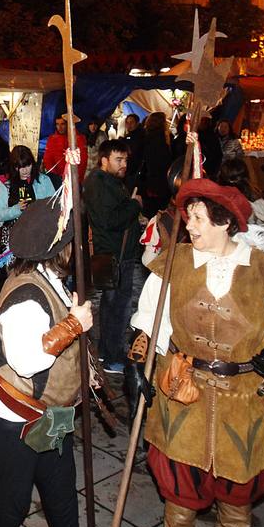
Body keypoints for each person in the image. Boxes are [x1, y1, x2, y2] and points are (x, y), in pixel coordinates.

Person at [131, 177, 264, 527]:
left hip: (242, 394)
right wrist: (139, 361)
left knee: (239, 483)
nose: (189, 226)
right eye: (188, 217)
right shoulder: (172, 264)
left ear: (225, 223)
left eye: (199, 219)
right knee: (179, 482)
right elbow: (148, 321)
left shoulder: (263, 268)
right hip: (182, 387)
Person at [0, 194, 95, 527]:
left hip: (53, 413)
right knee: (13, 492)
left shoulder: (51, 280)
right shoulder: (27, 293)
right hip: (18, 416)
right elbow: (27, 361)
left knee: (60, 482)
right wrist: (73, 327)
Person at [85, 139, 144, 371]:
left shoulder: (110, 181)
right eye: (118, 160)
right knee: (118, 308)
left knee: (112, 306)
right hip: (113, 254)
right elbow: (109, 220)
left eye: (126, 160)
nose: (124, 164)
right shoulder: (99, 183)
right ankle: (113, 358)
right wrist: (134, 205)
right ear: (104, 160)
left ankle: (106, 352)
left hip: (118, 253)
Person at [0, 146, 55, 228]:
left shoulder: (43, 180)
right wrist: (16, 209)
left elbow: (54, 206)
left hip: (39, 228)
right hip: (13, 229)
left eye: (28, 165)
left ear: (33, 163)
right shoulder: (5, 183)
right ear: (14, 167)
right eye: (20, 167)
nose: (25, 171)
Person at [41, 114, 87, 185]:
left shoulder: (78, 138)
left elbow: (83, 162)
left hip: (73, 179)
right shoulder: (52, 139)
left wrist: (76, 179)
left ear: (68, 124)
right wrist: (56, 177)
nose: (60, 127)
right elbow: (48, 159)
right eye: (57, 124)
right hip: (57, 180)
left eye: (62, 124)